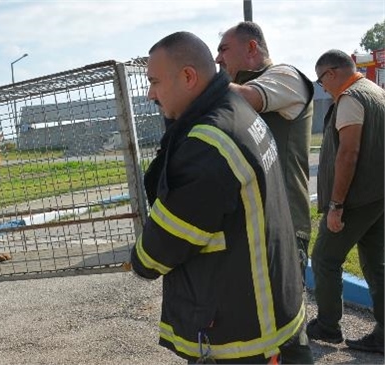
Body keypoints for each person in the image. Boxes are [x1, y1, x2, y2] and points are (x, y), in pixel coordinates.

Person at [130, 31, 312, 364]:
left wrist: (138, 260)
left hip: (244, 338)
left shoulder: (208, 145)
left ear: (188, 77)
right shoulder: (237, 110)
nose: (150, 94)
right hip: (274, 312)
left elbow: (161, 248)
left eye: (154, 81)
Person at [215, 21, 314, 282]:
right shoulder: (231, 90)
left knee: (284, 310)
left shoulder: (286, 77)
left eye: (223, 49)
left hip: (284, 224)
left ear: (251, 47)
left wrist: (198, 77)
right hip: (252, 223)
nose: (217, 59)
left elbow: (247, 97)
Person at [305, 49, 384, 354]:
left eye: (322, 79)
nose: (323, 86)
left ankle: (327, 325)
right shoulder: (376, 92)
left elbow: (348, 153)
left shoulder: (351, 98)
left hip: (355, 199)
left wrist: (336, 205)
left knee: (324, 258)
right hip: (378, 195)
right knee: (377, 264)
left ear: (333, 73)